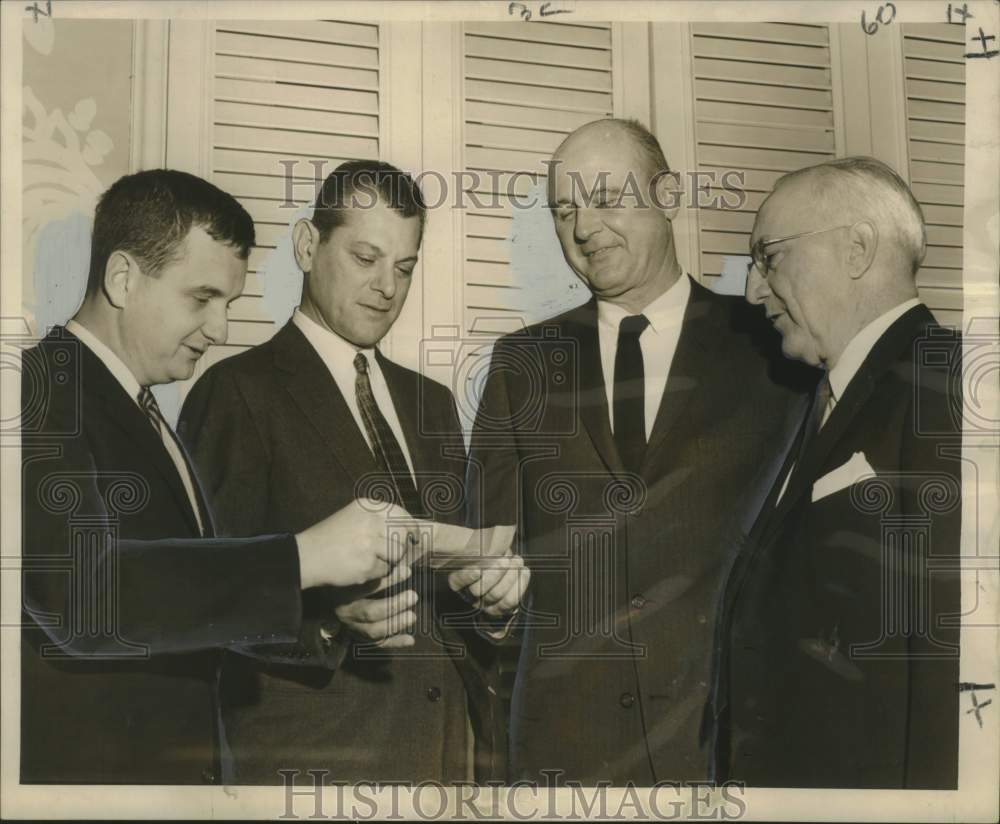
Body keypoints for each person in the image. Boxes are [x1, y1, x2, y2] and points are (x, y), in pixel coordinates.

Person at [20, 169, 409, 785]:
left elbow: (184, 602)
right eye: (201, 298)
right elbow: (84, 597)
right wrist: (303, 557)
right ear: (122, 278)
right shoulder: (35, 391)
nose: (221, 330)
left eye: (228, 303)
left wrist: (327, 618)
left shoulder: (139, 407)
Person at [466, 118, 814, 784]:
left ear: (669, 195)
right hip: (562, 751)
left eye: (605, 198)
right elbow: (488, 559)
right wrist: (488, 603)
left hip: (729, 743)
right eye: (564, 210)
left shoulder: (776, 349)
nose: (584, 229)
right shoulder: (520, 365)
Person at [178, 160, 527, 784]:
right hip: (315, 764)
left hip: (450, 759)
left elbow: (451, 582)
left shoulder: (432, 404)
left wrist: (493, 601)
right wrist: (327, 621)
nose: (387, 286)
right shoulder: (235, 392)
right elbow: (203, 599)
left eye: (404, 267)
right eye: (366, 258)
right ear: (308, 246)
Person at [711, 156, 962, 788]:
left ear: (856, 249)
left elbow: (952, 660)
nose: (752, 290)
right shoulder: (816, 404)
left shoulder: (947, 383)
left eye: (770, 257)